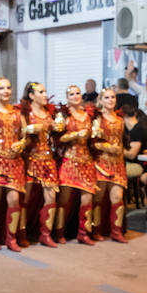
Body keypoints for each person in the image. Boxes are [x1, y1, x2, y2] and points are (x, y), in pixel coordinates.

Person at [0, 77, 28, 251]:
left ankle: (11, 238)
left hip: (14, 162)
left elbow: (25, 136)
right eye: (1, 88)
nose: (6, 91)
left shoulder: (17, 113)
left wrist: (21, 144)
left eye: (8, 88)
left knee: (14, 200)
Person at [57, 84, 98, 245]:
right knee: (64, 199)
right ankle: (59, 232)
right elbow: (59, 138)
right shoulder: (64, 114)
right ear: (67, 98)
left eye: (78, 93)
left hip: (86, 160)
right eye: (72, 94)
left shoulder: (89, 115)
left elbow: (93, 137)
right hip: (69, 160)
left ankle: (83, 233)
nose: (75, 96)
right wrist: (75, 135)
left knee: (87, 198)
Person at [21, 82, 61, 248]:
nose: (45, 95)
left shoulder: (49, 112)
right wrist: (32, 128)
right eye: (41, 92)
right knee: (25, 198)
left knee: (51, 197)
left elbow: (57, 131)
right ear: (31, 95)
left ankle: (46, 234)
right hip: (30, 159)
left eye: (45, 92)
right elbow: (22, 132)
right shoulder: (25, 112)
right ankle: (21, 233)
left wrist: (58, 125)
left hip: (47, 159)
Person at [92, 86, 129, 243]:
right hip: (101, 162)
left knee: (117, 197)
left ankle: (116, 232)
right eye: (107, 97)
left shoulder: (120, 120)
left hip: (118, 163)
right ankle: (96, 230)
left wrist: (119, 150)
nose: (110, 100)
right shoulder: (97, 119)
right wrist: (109, 148)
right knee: (98, 198)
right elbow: (93, 143)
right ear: (100, 100)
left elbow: (121, 141)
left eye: (113, 97)